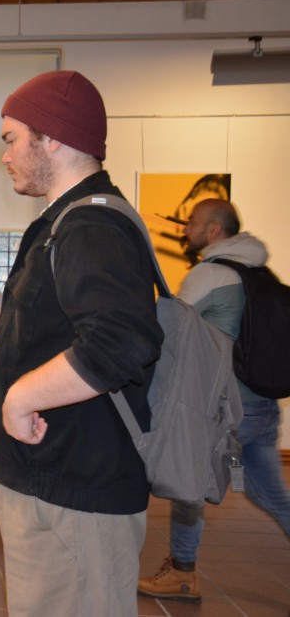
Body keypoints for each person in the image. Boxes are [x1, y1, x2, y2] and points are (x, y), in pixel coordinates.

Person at [0, 70, 164, 616]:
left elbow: (120, 342)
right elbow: (73, 325)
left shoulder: (90, 225)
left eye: (11, 139)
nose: (5, 156)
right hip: (54, 483)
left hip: (76, 491)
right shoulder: (69, 220)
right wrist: (6, 310)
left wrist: (19, 398)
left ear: (52, 137)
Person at [138, 199, 290, 603]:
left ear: (214, 231)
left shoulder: (209, 273)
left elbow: (169, 332)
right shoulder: (261, 273)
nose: (185, 229)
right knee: (273, 496)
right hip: (262, 407)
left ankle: (182, 574)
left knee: (188, 483)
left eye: (192, 223)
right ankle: (182, 571)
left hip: (224, 410)